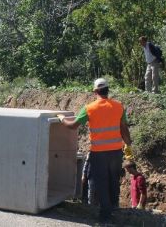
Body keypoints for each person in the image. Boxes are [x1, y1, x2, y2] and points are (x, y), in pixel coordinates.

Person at [58, 78, 133, 222]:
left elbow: (72, 125)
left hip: (99, 153)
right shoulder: (118, 106)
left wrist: (61, 118)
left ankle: (105, 215)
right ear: (107, 90)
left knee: (101, 182)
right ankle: (114, 208)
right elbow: (124, 129)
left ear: (95, 91)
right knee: (113, 180)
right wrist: (128, 148)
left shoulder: (89, 108)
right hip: (116, 152)